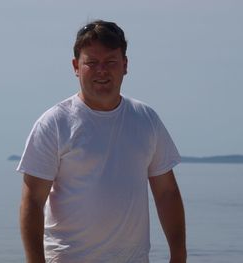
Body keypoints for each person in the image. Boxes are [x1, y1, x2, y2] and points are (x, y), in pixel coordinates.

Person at [17, 20, 186, 263]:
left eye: (110, 62)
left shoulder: (146, 120)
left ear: (125, 65)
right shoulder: (55, 123)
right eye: (92, 63)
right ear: (76, 66)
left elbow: (167, 193)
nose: (102, 71)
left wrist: (179, 255)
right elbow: (32, 201)